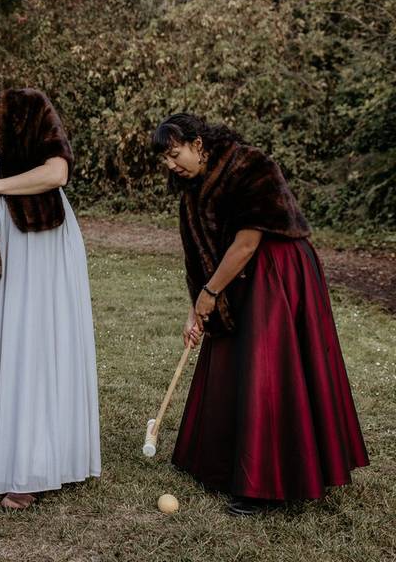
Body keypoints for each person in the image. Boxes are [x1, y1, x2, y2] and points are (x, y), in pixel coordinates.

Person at [150, 113, 369, 515]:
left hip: (278, 273)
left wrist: (211, 292)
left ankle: (266, 485)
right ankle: (223, 465)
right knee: (234, 365)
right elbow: (200, 258)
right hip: (232, 278)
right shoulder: (193, 189)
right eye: (165, 160)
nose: (171, 165)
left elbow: (248, 241)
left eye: (174, 154)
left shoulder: (251, 165)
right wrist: (195, 308)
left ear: (198, 144)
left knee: (268, 370)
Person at [0, 50, 101, 510]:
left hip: (45, 243)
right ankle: (4, 451)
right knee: (7, 347)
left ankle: (35, 463)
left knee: (39, 345)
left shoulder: (29, 106)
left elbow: (57, 172)